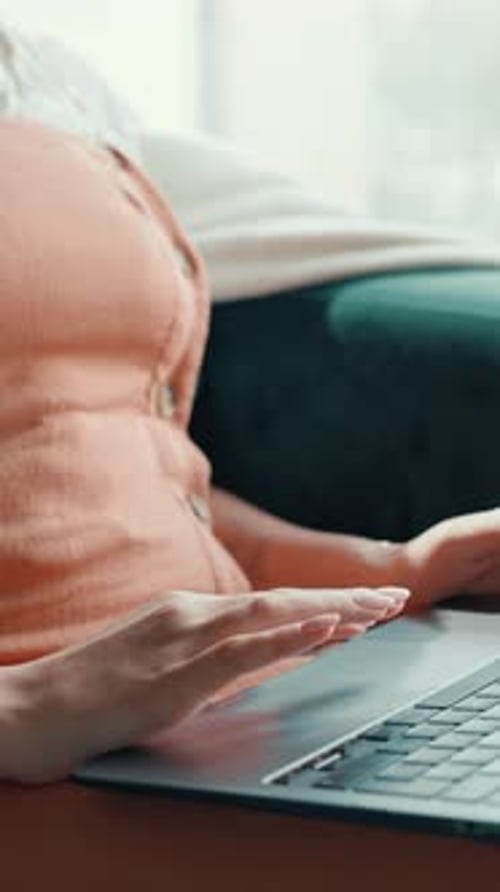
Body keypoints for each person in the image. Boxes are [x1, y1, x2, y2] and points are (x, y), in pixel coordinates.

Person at [1, 28, 500, 786]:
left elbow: (140, 487)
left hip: (250, 725)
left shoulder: (54, 87)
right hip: (51, 783)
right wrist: (26, 704)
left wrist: (389, 568)